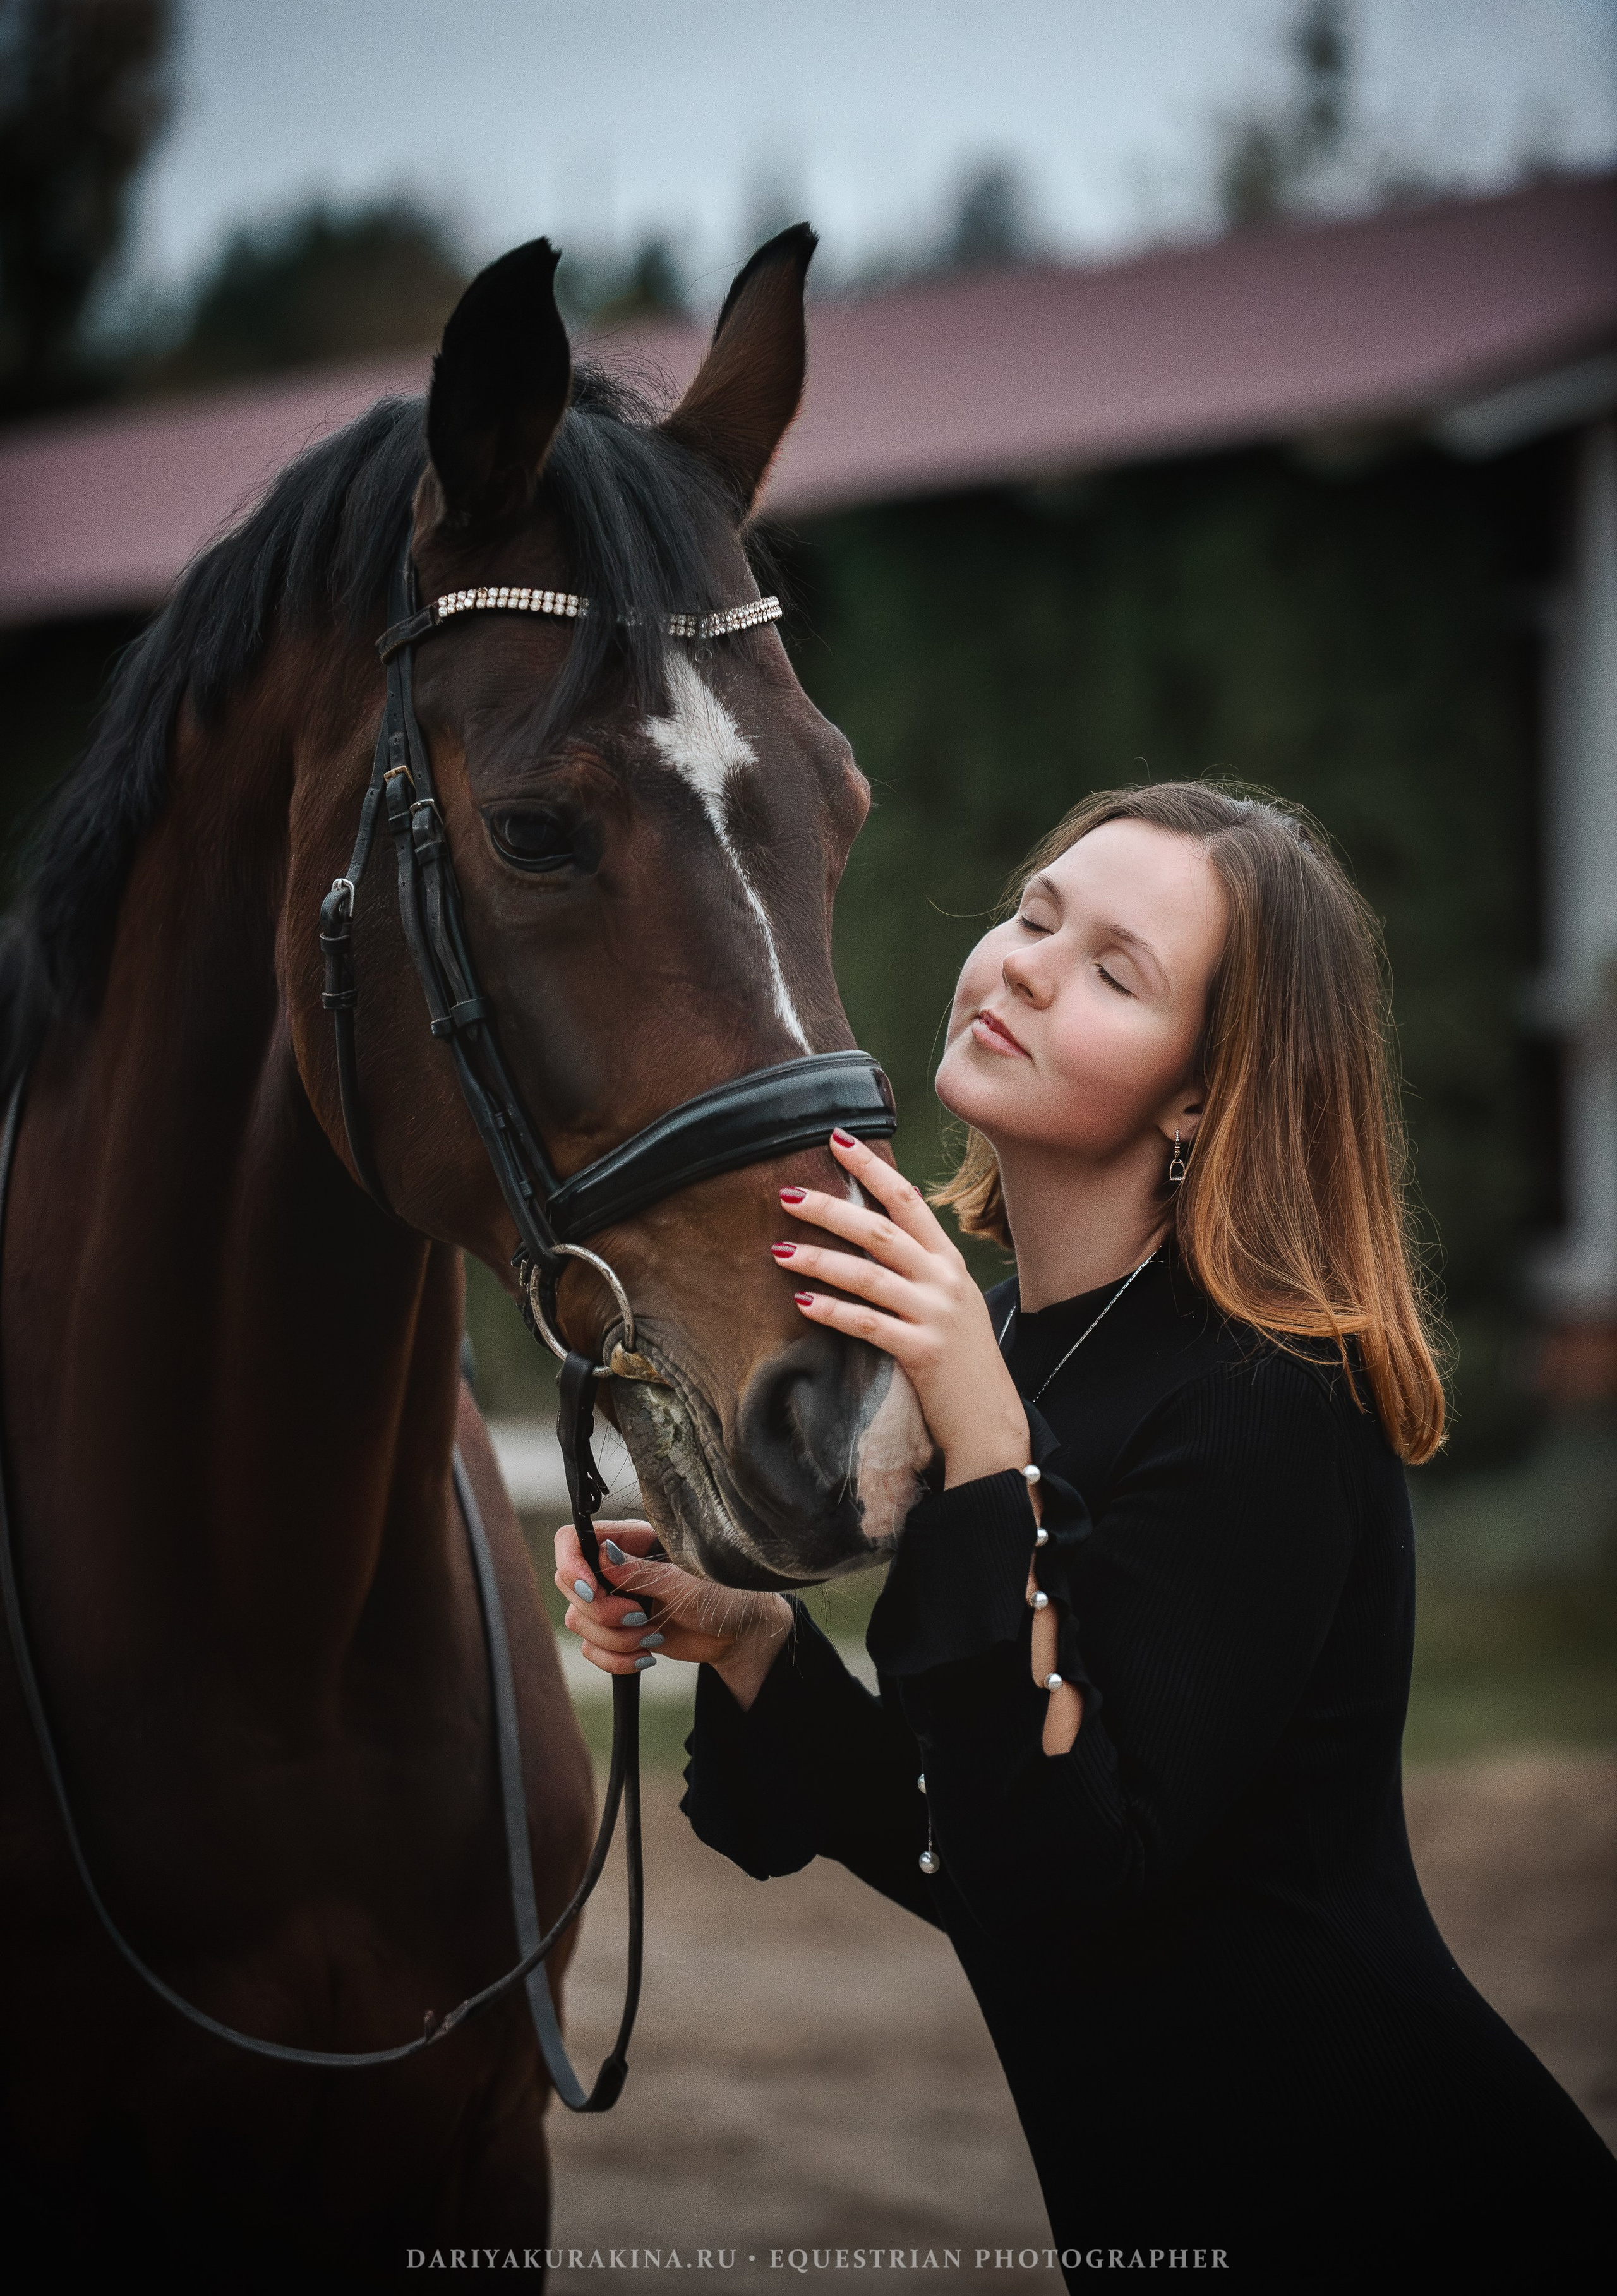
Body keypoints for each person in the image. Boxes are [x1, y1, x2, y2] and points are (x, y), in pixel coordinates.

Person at [555, 781, 1616, 2287]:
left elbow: (1067, 1899)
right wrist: (747, 1640)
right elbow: (972, 1848)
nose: (1028, 965)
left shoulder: (1267, 1399)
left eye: (1116, 970)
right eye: (1035, 914)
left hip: (1396, 2207)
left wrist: (988, 1448)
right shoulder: (996, 1345)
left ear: (1200, 1093)